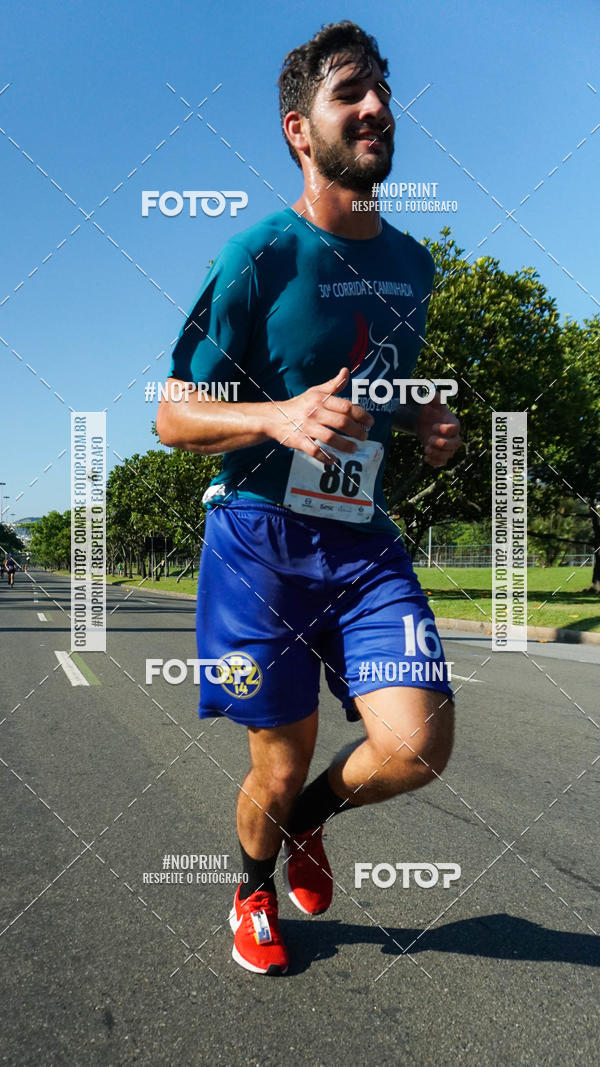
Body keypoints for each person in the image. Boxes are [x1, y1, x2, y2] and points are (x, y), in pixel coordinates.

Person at [157, 20, 462, 976]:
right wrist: (276, 415)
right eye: (350, 95)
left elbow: (384, 380)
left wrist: (426, 418)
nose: (376, 108)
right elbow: (172, 413)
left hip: (363, 541)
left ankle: (307, 826)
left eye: (382, 92)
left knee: (416, 746)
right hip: (256, 542)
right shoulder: (257, 256)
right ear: (300, 129)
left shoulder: (414, 266)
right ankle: (251, 885)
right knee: (276, 766)